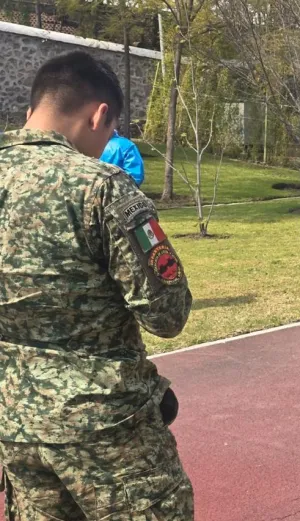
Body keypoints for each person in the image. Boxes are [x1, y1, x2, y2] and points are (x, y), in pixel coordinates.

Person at [0, 51, 193, 520]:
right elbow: (167, 315)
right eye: (108, 132)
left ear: (31, 110)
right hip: (108, 426)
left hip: (15, 421)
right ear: (100, 114)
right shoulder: (102, 186)